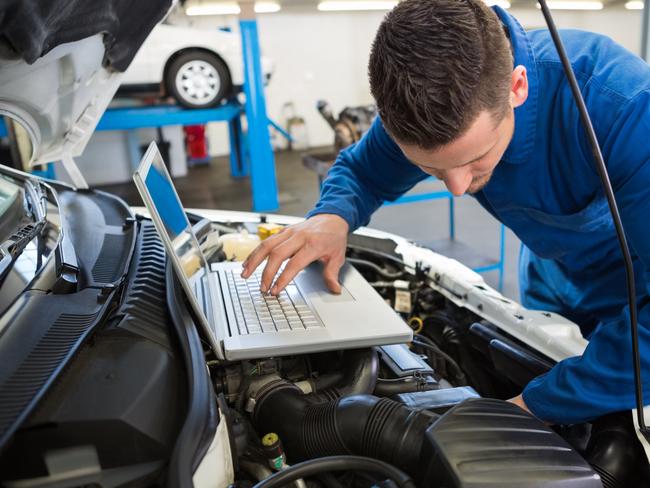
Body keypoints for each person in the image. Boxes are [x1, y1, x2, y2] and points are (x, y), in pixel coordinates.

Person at [241, 0, 650, 425]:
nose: (457, 186)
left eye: (478, 157)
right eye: (431, 169)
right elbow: (362, 170)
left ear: (517, 88)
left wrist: (532, 409)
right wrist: (333, 217)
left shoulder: (624, 109)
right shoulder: (422, 107)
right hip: (551, 275)